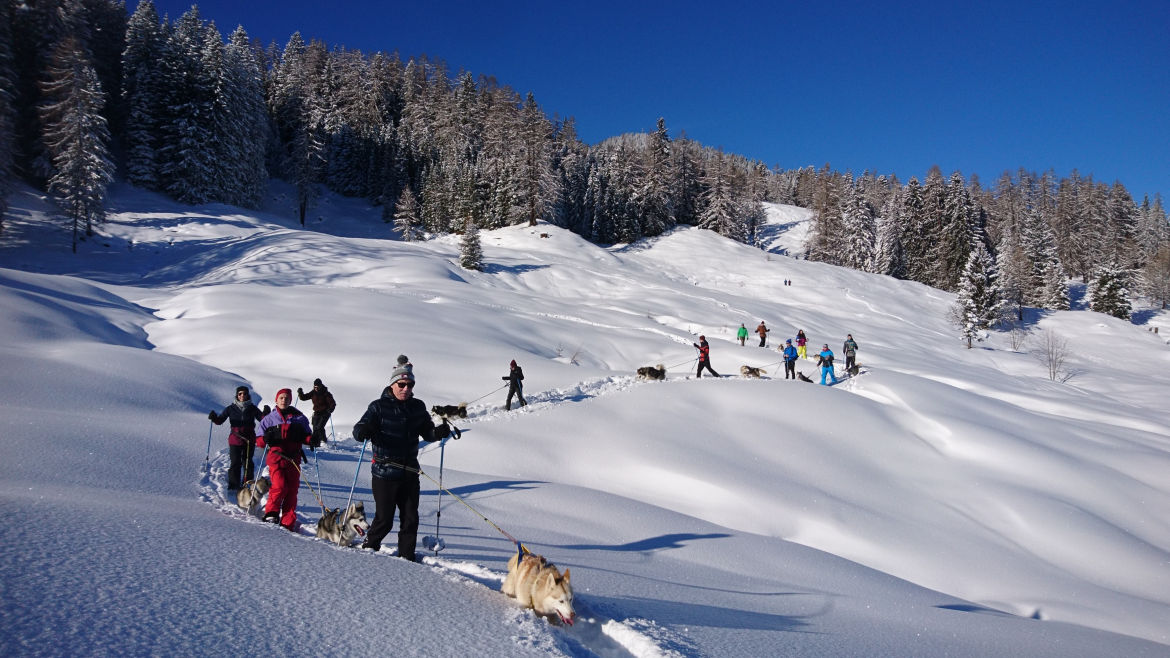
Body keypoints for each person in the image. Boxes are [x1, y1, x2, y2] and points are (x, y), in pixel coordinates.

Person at [352, 366, 449, 561]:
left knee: (411, 519)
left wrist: (437, 433)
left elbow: (427, 432)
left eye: (410, 385)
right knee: (385, 519)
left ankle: (407, 557)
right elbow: (357, 431)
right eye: (401, 384)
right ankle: (370, 546)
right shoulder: (377, 406)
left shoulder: (418, 406)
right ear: (392, 384)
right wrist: (364, 430)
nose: (406, 388)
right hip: (384, 472)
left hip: (410, 472)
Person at [256, 388, 313, 530]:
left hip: (294, 459)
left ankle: (288, 521)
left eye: (287, 398)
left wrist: (312, 439)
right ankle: (271, 513)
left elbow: (307, 437)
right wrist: (266, 438)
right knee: (280, 486)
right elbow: (259, 441)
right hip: (276, 458)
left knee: (292, 490)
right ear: (276, 400)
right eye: (281, 398)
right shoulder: (269, 419)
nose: (284, 400)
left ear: (290, 400)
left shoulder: (300, 418)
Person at [208, 386, 268, 490]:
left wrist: (266, 414)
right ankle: (233, 486)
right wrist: (214, 418)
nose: (242, 396)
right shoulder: (230, 408)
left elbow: (264, 420)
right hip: (235, 439)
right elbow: (220, 421)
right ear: (237, 395)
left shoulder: (252, 408)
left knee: (248, 462)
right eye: (240, 394)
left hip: (249, 440)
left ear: (248, 395)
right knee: (235, 462)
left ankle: (247, 484)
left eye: (244, 393)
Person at [297, 378, 337, 449]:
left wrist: (329, 410)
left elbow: (333, 403)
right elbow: (304, 397)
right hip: (317, 412)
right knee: (315, 427)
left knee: (320, 427)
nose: (316, 388)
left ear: (321, 386)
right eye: (315, 387)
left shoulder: (326, 393)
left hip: (325, 412)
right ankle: (316, 442)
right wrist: (300, 393)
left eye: (317, 387)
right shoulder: (313, 393)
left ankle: (323, 441)